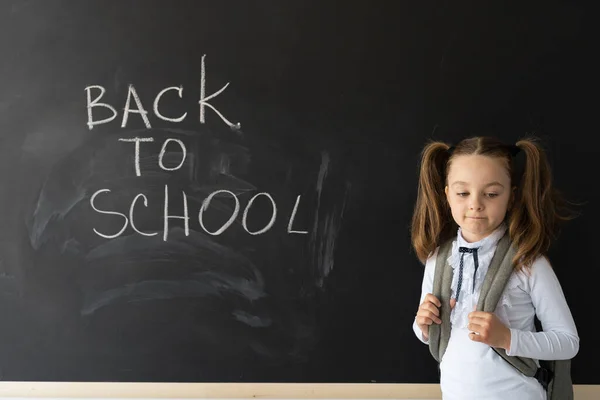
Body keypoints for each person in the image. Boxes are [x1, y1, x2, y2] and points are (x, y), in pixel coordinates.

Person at [410, 136, 580, 400]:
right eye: (463, 193)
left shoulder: (527, 261)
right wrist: (423, 325)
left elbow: (568, 342)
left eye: (491, 194)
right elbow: (426, 333)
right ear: (447, 195)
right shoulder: (438, 259)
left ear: (511, 197)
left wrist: (508, 338)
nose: (475, 204)